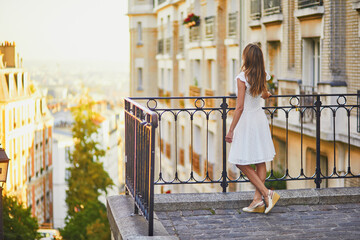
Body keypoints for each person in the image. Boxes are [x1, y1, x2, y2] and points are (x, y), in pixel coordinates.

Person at [225, 43, 279, 214]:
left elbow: (239, 107)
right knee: (260, 160)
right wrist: (267, 94)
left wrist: (231, 129)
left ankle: (266, 193)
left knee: (239, 160)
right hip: (259, 119)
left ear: (246, 58)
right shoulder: (262, 75)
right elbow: (264, 94)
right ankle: (258, 201)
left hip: (247, 120)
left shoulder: (242, 77)